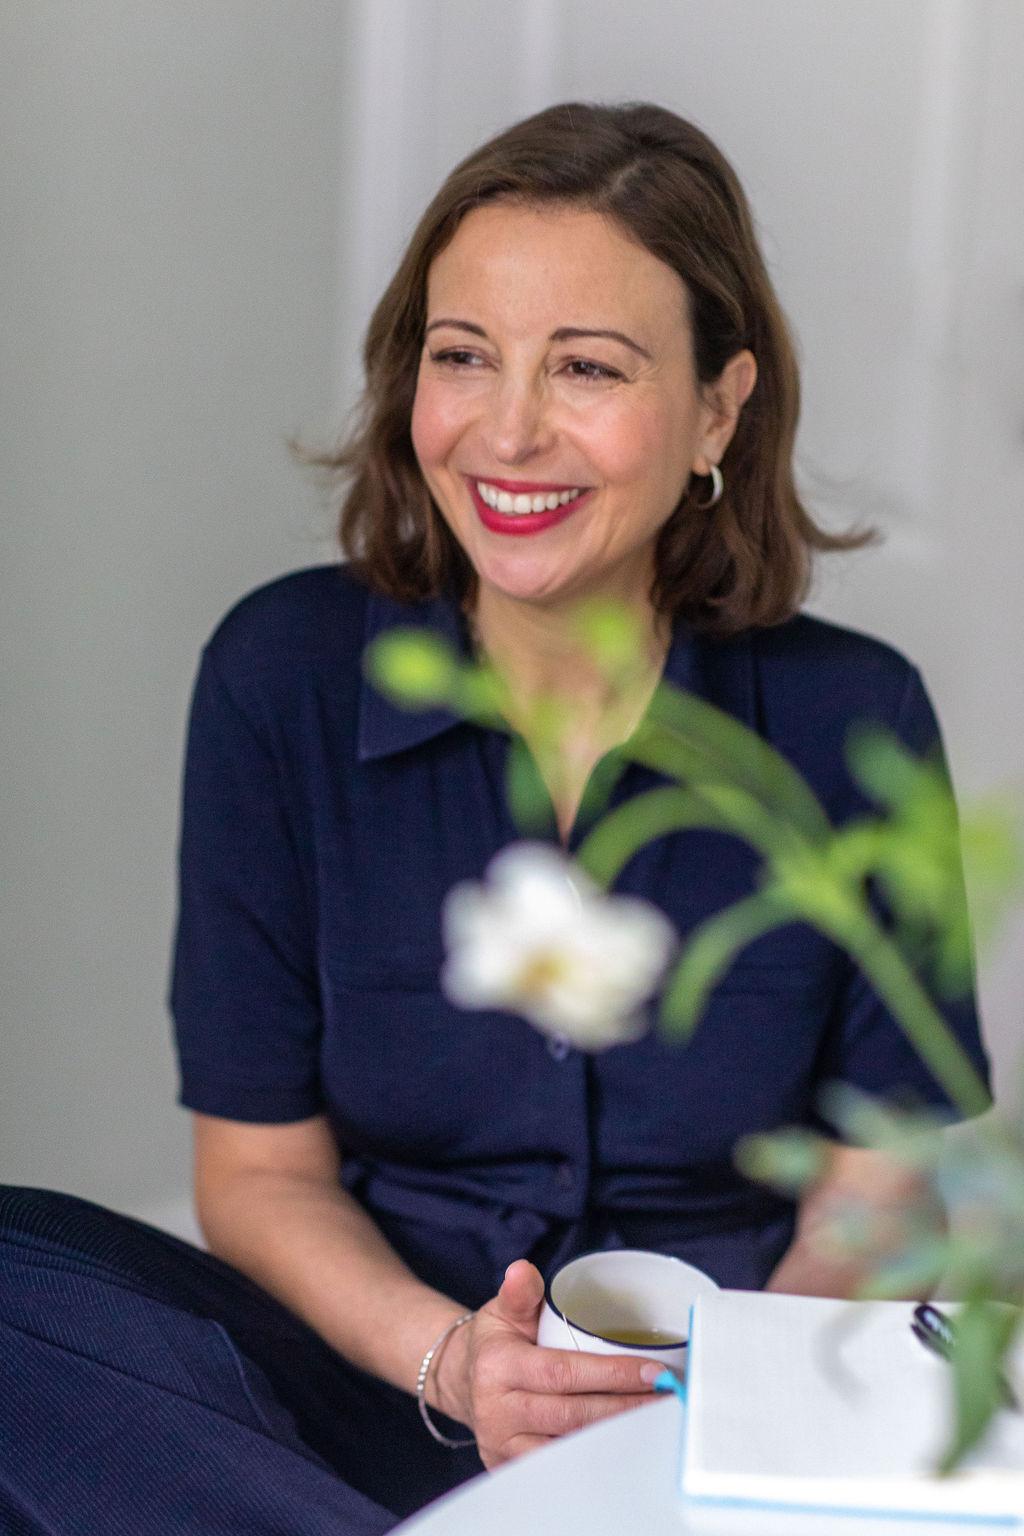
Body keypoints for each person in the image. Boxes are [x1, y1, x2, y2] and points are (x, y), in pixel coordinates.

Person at [0, 101, 990, 1533]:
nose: (509, 428)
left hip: (717, 1412)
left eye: (586, 367)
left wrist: (725, 1403)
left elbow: (880, 1197)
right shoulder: (279, 681)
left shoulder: (852, 720)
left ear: (719, 407)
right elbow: (259, 1172)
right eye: (463, 356)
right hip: (377, 1387)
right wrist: (455, 1361)